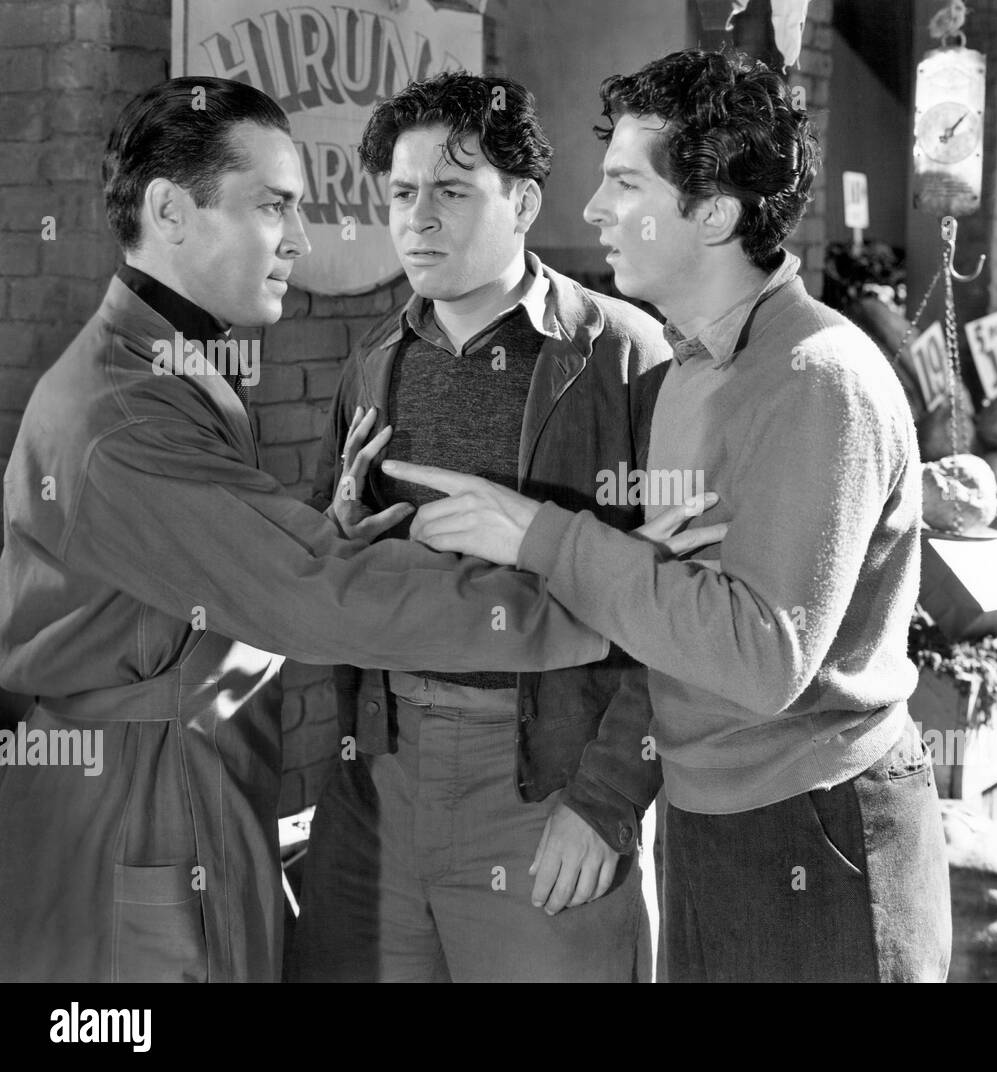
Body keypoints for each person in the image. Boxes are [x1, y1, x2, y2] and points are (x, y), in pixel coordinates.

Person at [0, 76, 625, 983]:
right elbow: (313, 594)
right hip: (150, 804)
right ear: (171, 211)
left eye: (450, 190)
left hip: (502, 784)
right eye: (274, 208)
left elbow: (250, 569)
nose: (301, 238)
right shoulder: (133, 412)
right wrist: (608, 596)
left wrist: (315, 538)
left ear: (523, 202)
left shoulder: (171, 365)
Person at [383, 48, 953, 983]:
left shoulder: (817, 381)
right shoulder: (690, 370)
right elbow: (669, 611)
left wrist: (541, 535)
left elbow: (761, 656)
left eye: (624, 184)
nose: (594, 210)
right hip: (706, 819)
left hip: (817, 825)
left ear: (715, 212)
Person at [288, 74, 703, 982]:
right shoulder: (375, 357)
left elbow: (686, 602)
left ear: (522, 201)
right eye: (402, 194)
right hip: (381, 772)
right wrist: (339, 533)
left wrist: (608, 799)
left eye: (451, 191)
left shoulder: (626, 356)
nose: (418, 219)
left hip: (544, 776)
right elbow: (327, 566)